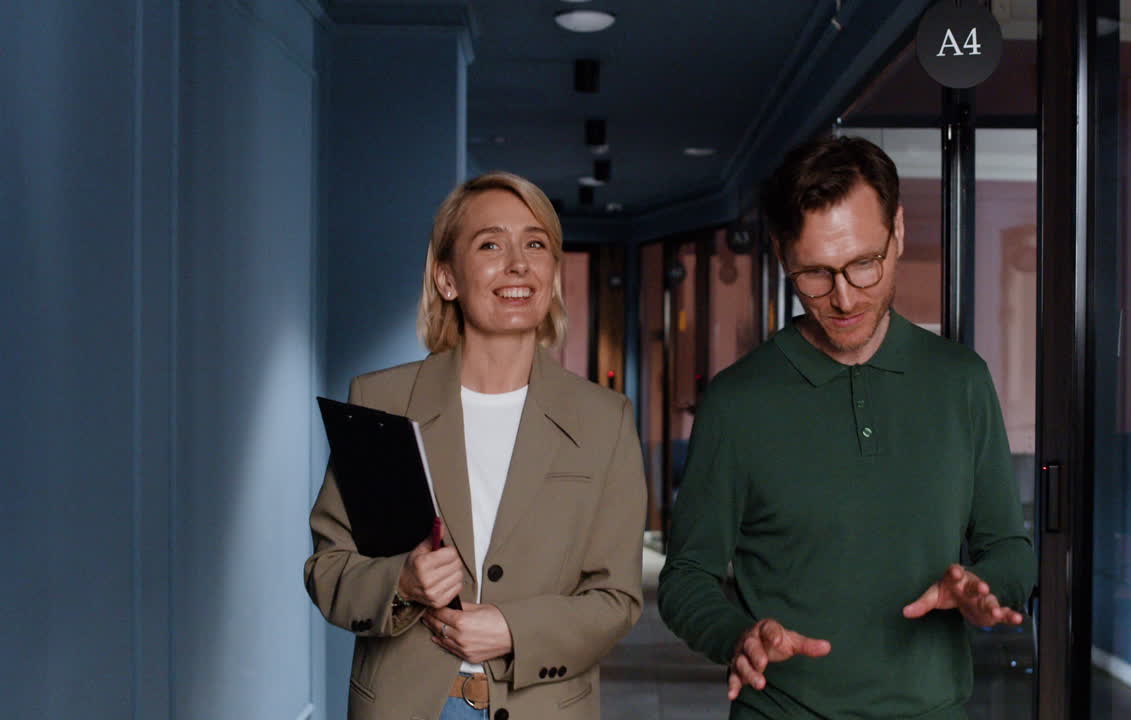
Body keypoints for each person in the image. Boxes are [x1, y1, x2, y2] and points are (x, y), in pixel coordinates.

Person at [657, 136, 1036, 718]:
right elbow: (686, 576)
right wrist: (737, 634)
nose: (843, 298)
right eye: (814, 274)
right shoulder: (737, 402)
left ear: (899, 232)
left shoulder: (960, 381)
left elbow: (1008, 547)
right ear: (784, 256)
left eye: (864, 263)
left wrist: (985, 588)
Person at [305, 171, 646, 720]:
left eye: (536, 244)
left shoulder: (605, 419)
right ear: (447, 279)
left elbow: (617, 599)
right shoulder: (382, 399)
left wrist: (513, 629)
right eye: (491, 244)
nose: (518, 263)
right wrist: (402, 583)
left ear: (552, 272)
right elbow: (328, 568)